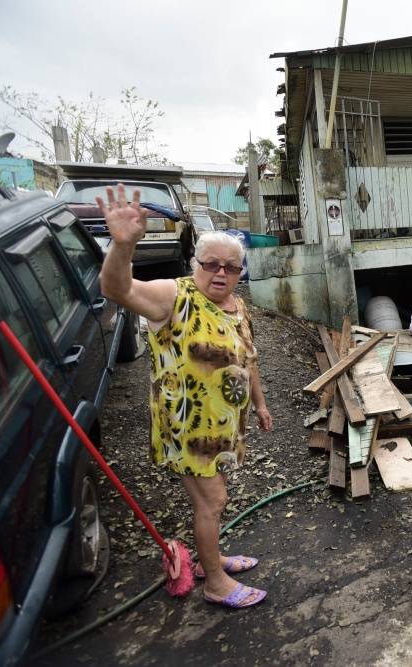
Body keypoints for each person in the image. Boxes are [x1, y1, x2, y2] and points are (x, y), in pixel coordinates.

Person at [98, 184, 272, 609]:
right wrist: (123, 246)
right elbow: (117, 289)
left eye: (230, 267)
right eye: (210, 264)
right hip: (189, 429)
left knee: (215, 496)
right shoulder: (174, 297)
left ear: (240, 273)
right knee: (213, 501)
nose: (220, 273)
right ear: (195, 263)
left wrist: (260, 403)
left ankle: (214, 559)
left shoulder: (236, 306)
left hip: (223, 427)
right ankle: (215, 583)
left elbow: (249, 357)